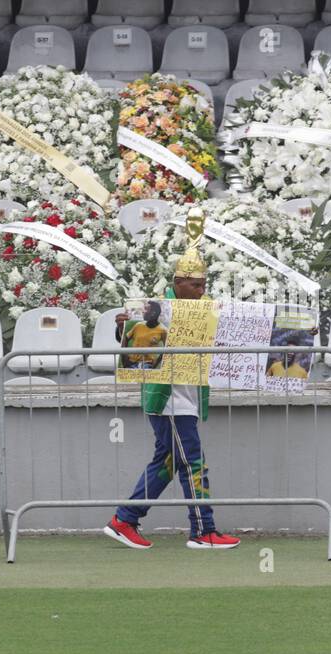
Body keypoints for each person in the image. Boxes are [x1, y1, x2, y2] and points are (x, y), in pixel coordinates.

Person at [104, 213, 241, 552]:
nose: (201, 290)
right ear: (177, 283)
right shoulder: (154, 308)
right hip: (169, 401)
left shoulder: (208, 307)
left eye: (204, 284)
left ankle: (125, 519)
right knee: (193, 462)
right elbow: (129, 340)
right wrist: (123, 327)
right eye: (195, 285)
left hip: (188, 399)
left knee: (167, 461)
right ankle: (202, 530)